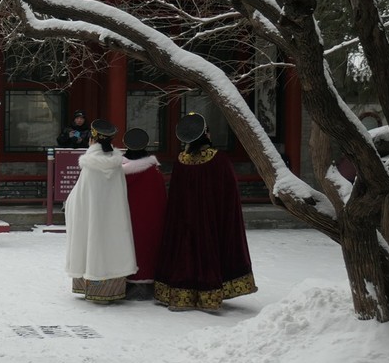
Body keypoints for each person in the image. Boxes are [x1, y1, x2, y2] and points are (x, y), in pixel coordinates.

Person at [154, 113, 257, 311]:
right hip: (210, 220)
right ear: (206, 135)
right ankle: (208, 297)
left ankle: (180, 295)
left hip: (183, 221)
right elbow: (228, 196)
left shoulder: (181, 161)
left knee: (183, 254)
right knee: (207, 252)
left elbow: (175, 198)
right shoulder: (219, 160)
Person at [64, 119, 137, 303]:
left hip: (91, 219)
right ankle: (112, 288)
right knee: (112, 242)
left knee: (91, 240)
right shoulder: (116, 164)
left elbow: (80, 197)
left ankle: (91, 284)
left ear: (92, 139)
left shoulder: (90, 164)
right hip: (114, 218)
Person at [121, 127, 167, 300]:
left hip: (124, 219)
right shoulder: (153, 171)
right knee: (148, 247)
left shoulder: (118, 170)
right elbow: (161, 199)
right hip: (151, 221)